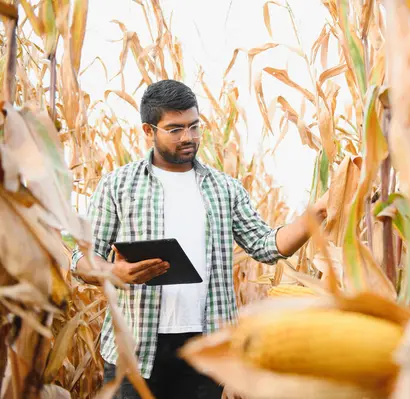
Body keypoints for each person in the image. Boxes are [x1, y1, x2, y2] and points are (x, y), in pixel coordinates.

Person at [70, 79, 329, 399]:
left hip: (206, 351)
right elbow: (81, 259)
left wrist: (316, 214)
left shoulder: (225, 188)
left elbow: (266, 245)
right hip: (135, 350)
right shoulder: (117, 186)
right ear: (148, 132)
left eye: (194, 126)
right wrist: (112, 272)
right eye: (175, 129)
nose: (189, 137)